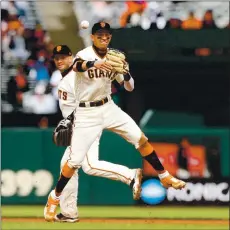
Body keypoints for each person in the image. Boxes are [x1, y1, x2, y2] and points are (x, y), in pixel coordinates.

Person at [44, 22, 186, 222]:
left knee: (140, 139)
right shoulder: (84, 55)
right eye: (99, 35)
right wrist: (94, 64)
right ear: (92, 37)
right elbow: (77, 66)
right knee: (74, 162)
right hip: (87, 112)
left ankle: (164, 176)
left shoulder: (115, 57)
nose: (103, 37)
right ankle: (54, 198)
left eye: (106, 35)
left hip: (108, 107)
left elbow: (129, 87)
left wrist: (126, 73)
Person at [49, 45, 143, 222]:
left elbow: (92, 100)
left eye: (63, 57)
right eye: (56, 58)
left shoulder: (77, 76)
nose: (60, 61)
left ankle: (130, 175)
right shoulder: (66, 78)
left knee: (90, 166)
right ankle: (68, 212)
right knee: (67, 166)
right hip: (78, 128)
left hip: (87, 126)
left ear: (72, 57)